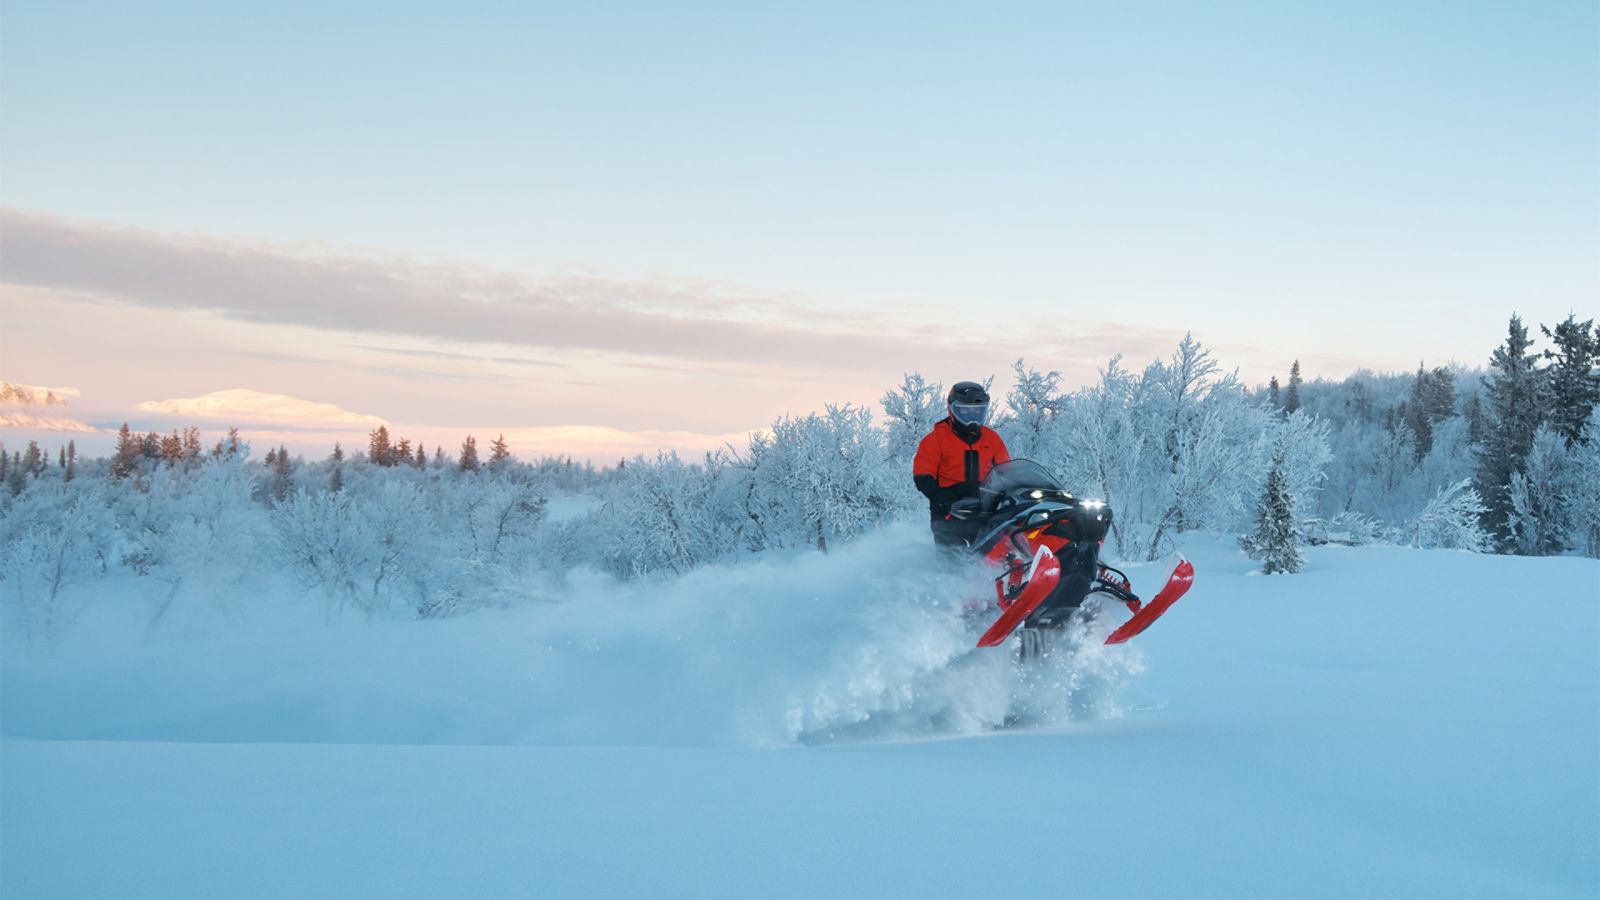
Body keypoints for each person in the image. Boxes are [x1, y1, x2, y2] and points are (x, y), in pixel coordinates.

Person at [913, 381, 1011, 548]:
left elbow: (1007, 471)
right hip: (949, 512)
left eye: (977, 412)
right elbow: (923, 477)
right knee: (952, 560)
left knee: (1000, 550)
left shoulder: (992, 438)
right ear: (952, 410)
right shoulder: (935, 440)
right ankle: (945, 574)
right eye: (965, 411)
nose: (972, 416)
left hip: (986, 509)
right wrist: (945, 501)